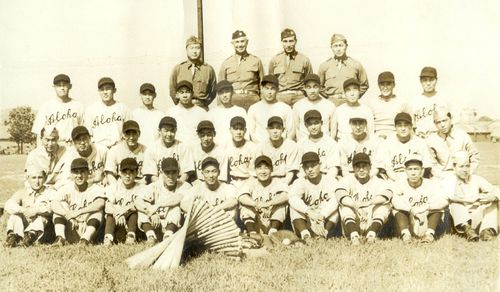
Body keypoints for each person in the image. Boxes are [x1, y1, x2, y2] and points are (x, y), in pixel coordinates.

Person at [335, 153, 392, 245]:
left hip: (371, 219)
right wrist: (356, 206)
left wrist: (369, 203)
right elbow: (340, 195)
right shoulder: (347, 179)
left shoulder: (378, 181)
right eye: (358, 167)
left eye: (364, 166)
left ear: (370, 167)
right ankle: (354, 237)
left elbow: (387, 195)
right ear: (353, 168)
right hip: (354, 220)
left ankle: (371, 235)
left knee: (385, 206)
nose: (361, 170)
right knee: (345, 207)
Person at [392, 154, 449, 243]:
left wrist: (426, 208)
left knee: (438, 208)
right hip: (408, 220)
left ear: (422, 170)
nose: (413, 173)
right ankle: (406, 235)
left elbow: (444, 200)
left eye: (416, 169)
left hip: (427, 219)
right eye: (410, 169)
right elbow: (394, 201)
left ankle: (429, 235)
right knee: (397, 209)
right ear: (405, 171)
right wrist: (411, 209)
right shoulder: (399, 184)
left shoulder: (431, 184)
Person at [443, 151, 499, 242]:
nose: (465, 170)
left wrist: (492, 197)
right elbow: (449, 196)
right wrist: (471, 200)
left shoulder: (476, 179)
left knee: (492, 201)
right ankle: (468, 231)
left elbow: (496, 190)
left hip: (474, 215)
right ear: (454, 167)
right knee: (455, 204)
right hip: (459, 222)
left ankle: (486, 231)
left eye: (467, 166)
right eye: (461, 166)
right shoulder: (449, 180)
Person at [51, 158, 106, 245]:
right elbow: (53, 204)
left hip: (89, 227)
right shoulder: (66, 188)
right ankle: (60, 238)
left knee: (97, 211)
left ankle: (85, 240)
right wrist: (68, 215)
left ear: (88, 173)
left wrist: (77, 212)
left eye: (82, 172)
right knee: (61, 204)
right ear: (71, 174)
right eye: (76, 172)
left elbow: (100, 203)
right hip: (72, 226)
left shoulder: (95, 188)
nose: (79, 175)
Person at [136, 158, 188, 244]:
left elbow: (178, 198)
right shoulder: (155, 186)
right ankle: (151, 237)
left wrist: (158, 205)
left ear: (178, 172)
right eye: (167, 173)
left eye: (174, 172)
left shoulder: (184, 185)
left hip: (172, 225)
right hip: (155, 223)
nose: (170, 176)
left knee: (176, 208)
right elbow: (137, 201)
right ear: (161, 173)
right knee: (142, 209)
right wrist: (150, 212)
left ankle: (168, 236)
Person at [289, 152, 340, 240]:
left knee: (335, 211)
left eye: (313, 165)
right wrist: (309, 212)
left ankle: (324, 234)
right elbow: (292, 198)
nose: (310, 169)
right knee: (294, 208)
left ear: (320, 165)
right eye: (306, 167)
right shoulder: (300, 182)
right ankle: (305, 235)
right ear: (303, 168)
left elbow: (335, 200)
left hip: (324, 218)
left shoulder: (330, 180)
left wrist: (322, 216)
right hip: (308, 218)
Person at [238, 155, 288, 238]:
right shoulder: (250, 182)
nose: (263, 171)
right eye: (259, 168)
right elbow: (241, 197)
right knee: (245, 205)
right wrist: (256, 204)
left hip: (273, 221)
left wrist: (268, 203)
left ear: (271, 169)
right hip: (257, 222)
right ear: (255, 170)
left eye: (266, 168)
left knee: (282, 204)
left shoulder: (277, 182)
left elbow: (286, 195)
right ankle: (253, 233)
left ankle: (273, 233)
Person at [4, 167, 54, 247]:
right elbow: (8, 205)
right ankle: (13, 237)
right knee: (15, 216)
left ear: (45, 178)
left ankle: (30, 237)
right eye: (34, 178)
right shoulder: (23, 192)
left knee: (42, 219)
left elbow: (53, 207)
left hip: (43, 230)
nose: (37, 181)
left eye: (40, 177)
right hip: (26, 226)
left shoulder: (50, 192)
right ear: (28, 179)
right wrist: (23, 210)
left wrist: (36, 211)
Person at [427, 107, 480, 179]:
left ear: (451, 119)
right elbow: (431, 164)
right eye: (438, 122)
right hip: (442, 177)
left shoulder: (462, 135)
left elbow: (475, 156)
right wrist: (442, 177)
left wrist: (468, 173)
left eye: (444, 120)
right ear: (435, 124)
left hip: (463, 175)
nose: (442, 125)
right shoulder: (431, 140)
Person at [31, 74, 84, 144]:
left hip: (72, 145)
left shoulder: (78, 106)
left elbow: (83, 131)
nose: (62, 88)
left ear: (70, 86)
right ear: (54, 87)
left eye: (65, 85)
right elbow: (39, 133)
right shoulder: (46, 106)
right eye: (59, 85)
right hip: (53, 146)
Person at [318, 33, 369, 106]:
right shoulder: (324, 66)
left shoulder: (356, 65)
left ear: (346, 46)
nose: (338, 49)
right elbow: (319, 86)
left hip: (349, 103)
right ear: (331, 48)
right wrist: (327, 97)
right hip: (331, 103)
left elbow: (364, 85)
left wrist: (354, 97)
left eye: (341, 45)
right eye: (335, 46)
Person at [219, 30, 264, 110]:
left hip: (252, 100)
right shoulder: (226, 63)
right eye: (237, 42)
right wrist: (221, 108)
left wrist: (263, 105)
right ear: (232, 44)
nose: (240, 45)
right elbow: (220, 88)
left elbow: (263, 85)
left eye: (242, 41)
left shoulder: (256, 61)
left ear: (247, 42)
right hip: (233, 101)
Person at [103, 158, 145, 246]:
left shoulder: (141, 187)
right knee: (110, 214)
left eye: (131, 172)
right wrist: (117, 213)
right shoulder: (114, 187)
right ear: (119, 173)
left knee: (134, 213)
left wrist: (124, 210)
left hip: (133, 225)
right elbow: (108, 206)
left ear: (137, 173)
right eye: (124, 172)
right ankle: (108, 238)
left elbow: (140, 205)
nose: (127, 176)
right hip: (117, 223)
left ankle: (131, 237)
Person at [381, 112, 433, 181]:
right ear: (395, 127)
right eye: (400, 126)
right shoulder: (387, 143)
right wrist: (399, 182)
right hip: (395, 179)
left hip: (416, 179)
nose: (403, 128)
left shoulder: (420, 142)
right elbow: (388, 169)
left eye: (406, 125)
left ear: (411, 126)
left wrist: (415, 181)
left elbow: (425, 166)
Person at [142, 116, 194, 184]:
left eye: (172, 131)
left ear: (176, 130)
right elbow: (152, 175)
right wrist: (162, 187)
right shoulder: (152, 149)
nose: (169, 134)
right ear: (159, 131)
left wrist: (178, 185)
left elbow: (186, 173)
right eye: (166, 131)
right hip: (159, 184)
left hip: (179, 183)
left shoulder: (183, 147)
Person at [268, 28, 313, 106]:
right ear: (281, 42)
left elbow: (309, 81)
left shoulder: (304, 60)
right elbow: (271, 83)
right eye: (285, 41)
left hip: (299, 97)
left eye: (291, 41)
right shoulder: (274, 60)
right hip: (280, 97)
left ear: (296, 41)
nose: (288, 45)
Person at [170, 36, 217, 109]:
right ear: (186, 49)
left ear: (201, 50)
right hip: (183, 108)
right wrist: (180, 106)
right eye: (191, 48)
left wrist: (203, 104)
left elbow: (213, 91)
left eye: (197, 48)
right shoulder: (178, 69)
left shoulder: (208, 69)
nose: (194, 51)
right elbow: (172, 90)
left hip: (201, 107)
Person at [84, 77, 131, 148]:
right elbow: (88, 133)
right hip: (98, 148)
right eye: (102, 89)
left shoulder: (123, 108)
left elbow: (129, 131)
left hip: (118, 146)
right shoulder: (91, 109)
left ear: (114, 90)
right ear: (98, 91)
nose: (105, 92)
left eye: (108, 89)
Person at [247, 75, 295, 144]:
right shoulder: (254, 108)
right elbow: (251, 132)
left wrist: (283, 147)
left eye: (272, 88)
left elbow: (291, 131)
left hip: (281, 148)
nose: (269, 92)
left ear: (277, 90)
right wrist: (260, 147)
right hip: (260, 148)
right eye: (267, 88)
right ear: (262, 89)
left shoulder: (285, 108)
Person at [406, 67, 451, 138]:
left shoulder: (444, 99)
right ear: (420, 81)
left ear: (436, 80)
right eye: (425, 80)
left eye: (431, 80)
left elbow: (453, 123)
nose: (428, 83)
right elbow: (410, 126)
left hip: (440, 138)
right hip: (420, 138)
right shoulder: (414, 101)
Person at [297, 110, 341, 178]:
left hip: (326, 176)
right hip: (307, 177)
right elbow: (300, 168)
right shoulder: (301, 144)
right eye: (310, 124)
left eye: (316, 123)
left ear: (321, 123)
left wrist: (327, 181)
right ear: (305, 125)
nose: (313, 127)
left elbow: (333, 168)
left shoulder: (331, 143)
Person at [292, 74, 337, 140]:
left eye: (315, 87)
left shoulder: (330, 105)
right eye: (309, 87)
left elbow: (333, 130)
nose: (312, 91)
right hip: (305, 145)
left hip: (324, 145)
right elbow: (297, 128)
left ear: (320, 87)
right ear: (304, 88)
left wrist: (328, 146)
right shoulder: (297, 106)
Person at [363, 71, 406, 139]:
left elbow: (409, 127)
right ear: (378, 85)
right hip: (376, 139)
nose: (385, 87)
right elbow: (367, 127)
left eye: (388, 84)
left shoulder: (402, 103)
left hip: (396, 139)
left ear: (394, 84)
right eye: (382, 84)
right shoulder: (372, 103)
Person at [258, 116, 299, 185]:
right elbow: (259, 171)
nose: (275, 131)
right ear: (267, 130)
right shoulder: (261, 146)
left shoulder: (291, 145)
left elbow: (291, 171)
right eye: (272, 128)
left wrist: (282, 186)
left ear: (283, 130)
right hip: (266, 181)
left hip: (286, 181)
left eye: (278, 128)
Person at [104, 120, 147, 185]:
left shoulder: (146, 150)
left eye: (134, 133)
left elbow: (147, 176)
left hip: (139, 184)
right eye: (128, 134)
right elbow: (110, 174)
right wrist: (117, 189)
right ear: (123, 135)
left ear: (139, 134)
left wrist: (139, 188)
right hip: (120, 185)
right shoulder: (114, 150)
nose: (131, 137)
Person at [165, 80, 207, 145]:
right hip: (177, 149)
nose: (185, 95)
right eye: (181, 92)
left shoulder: (201, 112)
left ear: (192, 94)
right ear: (177, 95)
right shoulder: (171, 112)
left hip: (196, 149)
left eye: (187, 92)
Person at [207, 80, 247, 145]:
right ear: (218, 95)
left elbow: (246, 134)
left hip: (236, 148)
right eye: (221, 93)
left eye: (227, 91)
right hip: (218, 149)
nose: (224, 95)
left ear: (232, 92)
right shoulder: (211, 113)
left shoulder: (240, 111)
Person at [226, 116, 258, 189]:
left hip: (249, 182)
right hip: (232, 183)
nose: (238, 132)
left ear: (245, 130)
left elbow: (254, 173)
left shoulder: (253, 147)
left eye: (241, 129)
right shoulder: (225, 147)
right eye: (235, 129)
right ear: (230, 130)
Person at [131, 83, 165, 148]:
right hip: (139, 150)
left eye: (150, 94)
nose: (147, 97)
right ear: (140, 95)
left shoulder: (161, 114)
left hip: (155, 150)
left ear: (155, 95)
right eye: (144, 94)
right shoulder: (134, 113)